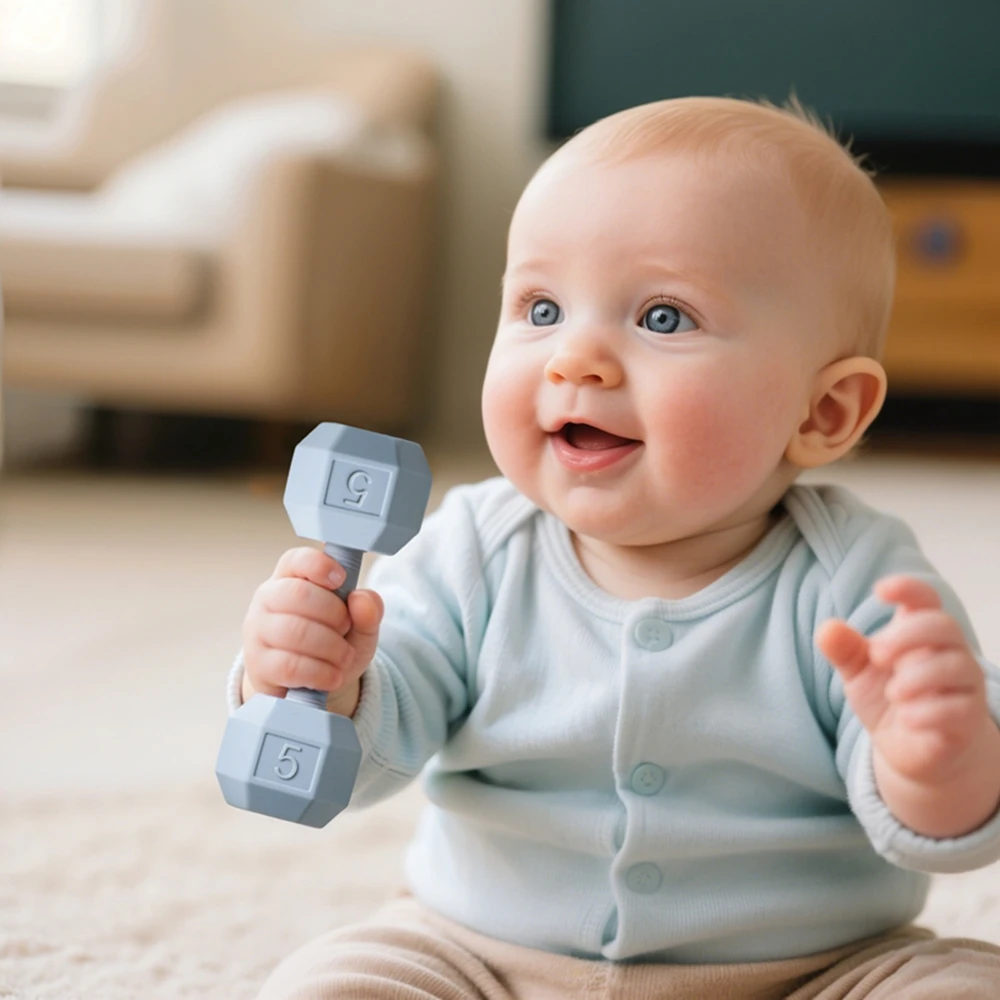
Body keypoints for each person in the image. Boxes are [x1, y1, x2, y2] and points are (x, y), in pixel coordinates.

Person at [229, 97, 1000, 999]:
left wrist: (936, 760)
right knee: (334, 983)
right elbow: (367, 752)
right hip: (479, 952)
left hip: (812, 968)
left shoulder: (859, 578)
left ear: (823, 411)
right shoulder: (477, 547)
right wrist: (317, 675)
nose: (575, 359)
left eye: (664, 318)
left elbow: (945, 827)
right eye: (541, 307)